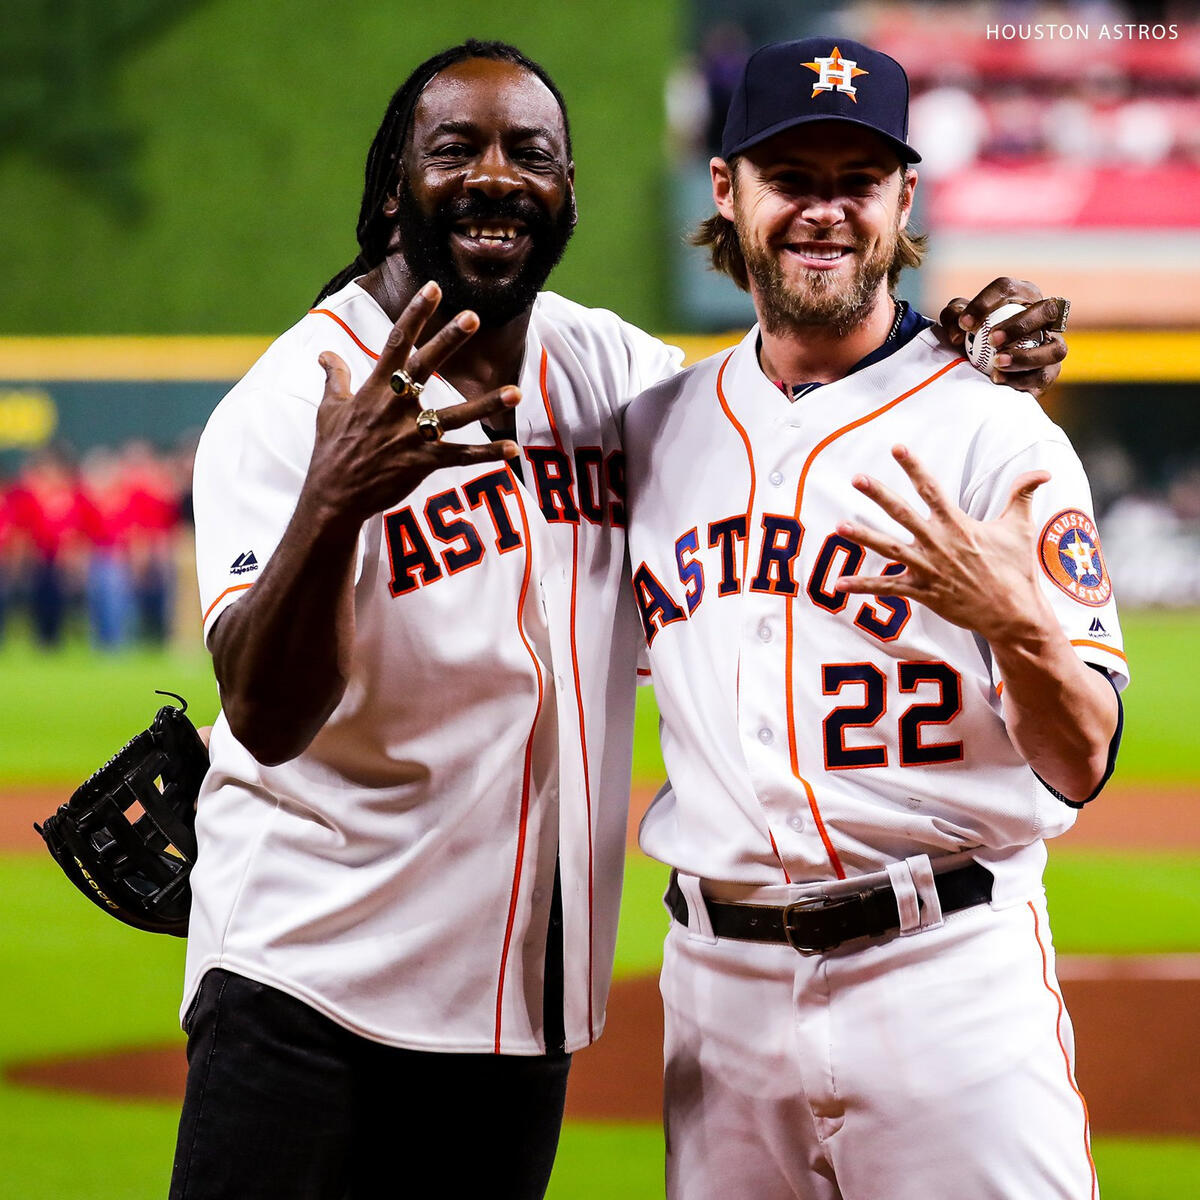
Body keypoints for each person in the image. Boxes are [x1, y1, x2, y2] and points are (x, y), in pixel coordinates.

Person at [177, 37, 1072, 1200]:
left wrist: (948, 356)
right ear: (393, 182)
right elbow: (264, 710)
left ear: (568, 194)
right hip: (311, 995)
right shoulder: (298, 400)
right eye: (455, 149)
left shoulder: (608, 371)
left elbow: (787, 421)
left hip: (516, 1019)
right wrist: (334, 501)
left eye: (531, 153)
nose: (496, 176)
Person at [621, 37, 1123, 1200]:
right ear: (726, 190)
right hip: (717, 994)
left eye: (858, 179)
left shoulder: (997, 433)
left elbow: (1083, 757)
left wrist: (1018, 621)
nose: (825, 210)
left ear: (905, 198)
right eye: (793, 176)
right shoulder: (655, 430)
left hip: (947, 976)